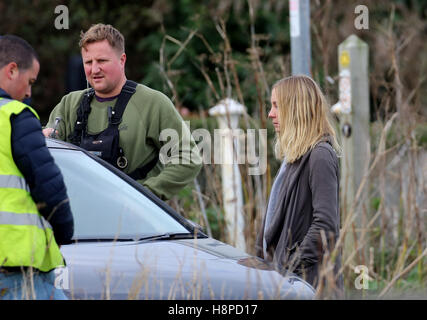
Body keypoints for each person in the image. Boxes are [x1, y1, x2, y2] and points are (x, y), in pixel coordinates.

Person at [43, 24, 202, 200]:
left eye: (102, 61)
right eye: (88, 62)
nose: (94, 69)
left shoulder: (152, 103)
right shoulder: (69, 104)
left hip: (137, 221)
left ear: (122, 60)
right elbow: (48, 153)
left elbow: (188, 157)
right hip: (81, 216)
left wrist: (147, 195)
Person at [0, 35, 74, 299]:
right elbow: (49, 187)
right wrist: (65, 230)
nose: (29, 92)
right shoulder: (15, 116)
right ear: (11, 70)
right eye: (29, 81)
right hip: (16, 269)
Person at [255, 75, 343, 296]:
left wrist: (290, 266)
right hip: (288, 282)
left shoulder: (319, 156)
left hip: (309, 284)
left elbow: (326, 226)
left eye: (277, 106)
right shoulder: (294, 158)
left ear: (295, 108)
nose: (270, 114)